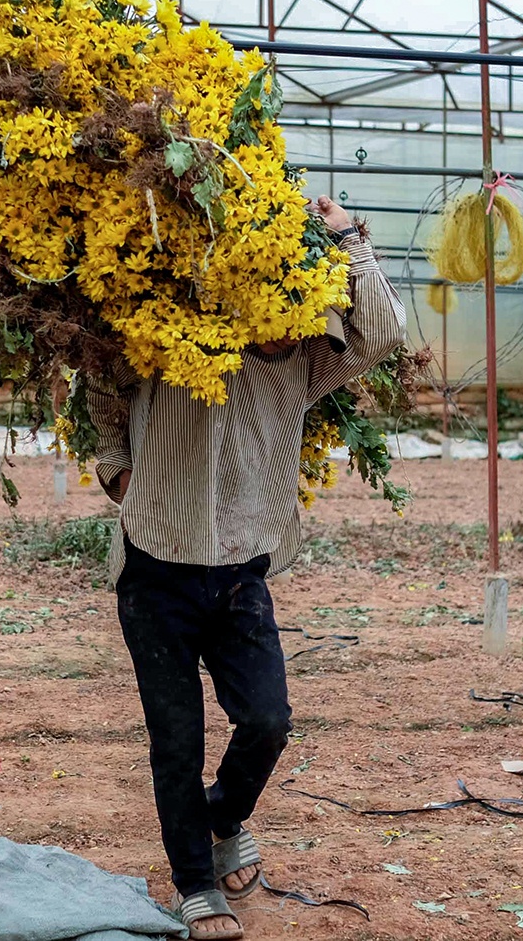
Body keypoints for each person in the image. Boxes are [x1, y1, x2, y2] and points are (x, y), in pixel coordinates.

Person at [86, 195, 406, 940]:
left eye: (303, 314)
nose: (290, 329)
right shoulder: (176, 340)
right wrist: (117, 469)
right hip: (156, 571)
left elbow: (385, 330)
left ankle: (221, 816)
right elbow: (100, 375)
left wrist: (347, 238)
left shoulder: (305, 366)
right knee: (177, 740)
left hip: (240, 574)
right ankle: (196, 885)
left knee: (267, 721)